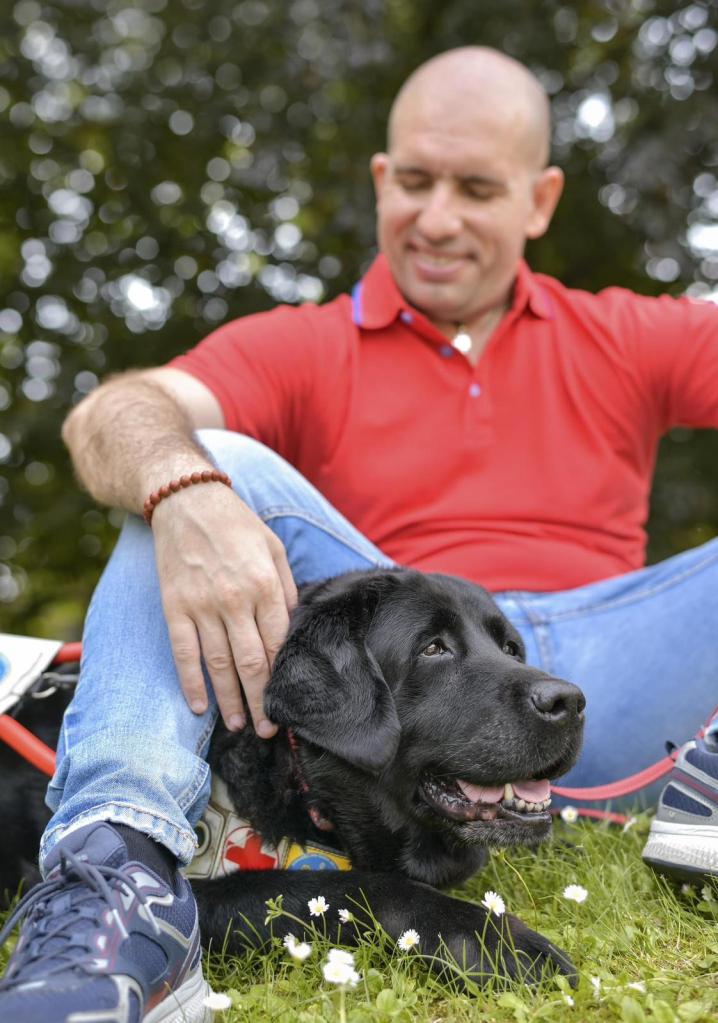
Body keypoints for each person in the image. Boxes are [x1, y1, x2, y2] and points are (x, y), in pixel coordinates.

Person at [2, 45, 717, 1023]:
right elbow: (109, 419)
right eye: (414, 182)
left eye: (476, 188)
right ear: (380, 180)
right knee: (195, 457)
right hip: (400, 657)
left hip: (607, 680)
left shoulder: (626, 335)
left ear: (539, 201)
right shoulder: (299, 347)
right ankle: (121, 880)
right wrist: (187, 490)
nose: (436, 217)